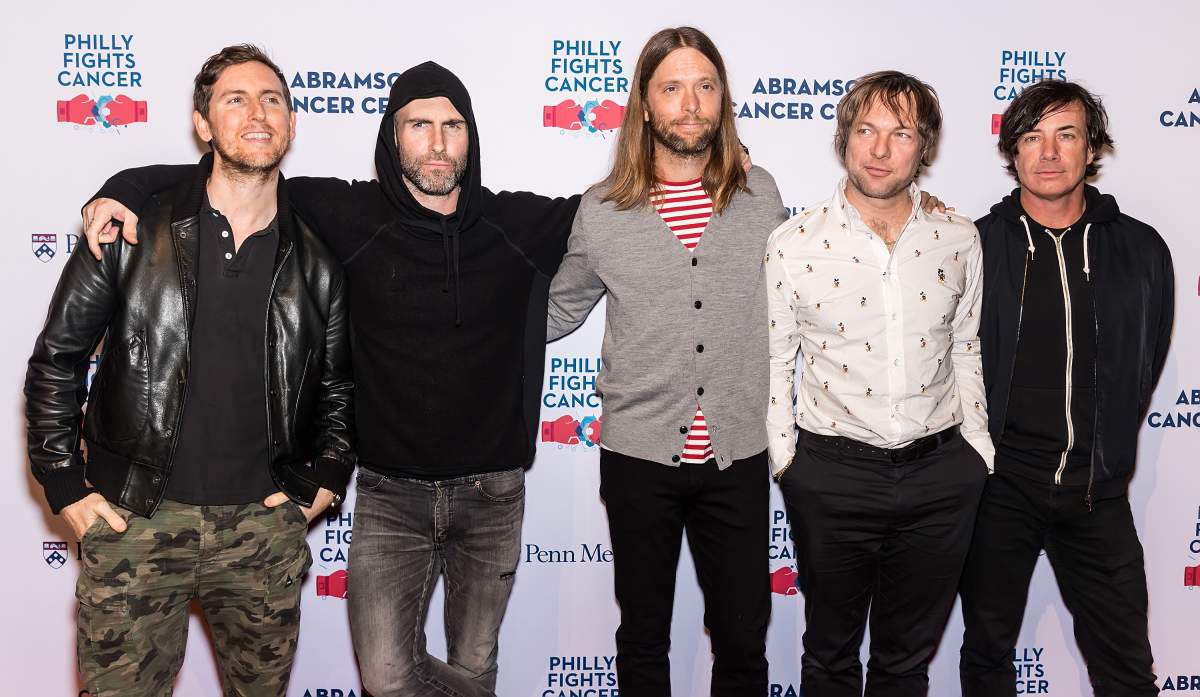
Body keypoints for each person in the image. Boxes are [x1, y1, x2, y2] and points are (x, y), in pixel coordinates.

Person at [80, 59, 580, 697]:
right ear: (391, 136)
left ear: (470, 137)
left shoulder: (516, 224)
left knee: (475, 665)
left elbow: (610, 213)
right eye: (418, 124)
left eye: (452, 126)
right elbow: (222, 178)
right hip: (388, 494)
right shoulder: (345, 212)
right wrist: (124, 185)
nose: (436, 142)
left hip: (493, 495)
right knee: (389, 675)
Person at [26, 44, 354, 696]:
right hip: (136, 523)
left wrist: (326, 476)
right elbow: (57, 362)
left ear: (291, 123)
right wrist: (64, 483)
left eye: (272, 100)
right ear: (203, 124)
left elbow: (339, 389)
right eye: (235, 99)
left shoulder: (318, 259)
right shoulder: (130, 229)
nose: (257, 114)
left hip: (262, 534)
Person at [544, 25, 786, 696]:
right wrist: (463, 331)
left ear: (722, 99)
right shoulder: (603, 209)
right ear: (645, 105)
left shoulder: (761, 196)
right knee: (643, 639)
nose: (690, 103)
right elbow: (560, 309)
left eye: (705, 86)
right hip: (637, 457)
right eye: (672, 87)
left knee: (743, 641)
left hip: (737, 453)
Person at [764, 70, 992, 696]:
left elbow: (966, 346)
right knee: (830, 657)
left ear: (926, 147)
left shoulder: (959, 237)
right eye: (865, 130)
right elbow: (776, 360)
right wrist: (789, 462)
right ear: (845, 141)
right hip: (832, 472)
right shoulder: (793, 242)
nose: (880, 149)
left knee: (905, 663)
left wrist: (977, 450)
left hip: (941, 471)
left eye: (900, 133)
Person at [958, 79, 1172, 697]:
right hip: (1001, 490)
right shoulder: (977, 245)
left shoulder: (1141, 249)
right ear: (1013, 153)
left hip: (1096, 492)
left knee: (1127, 667)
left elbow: (1146, 359)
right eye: (1033, 137)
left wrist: (1106, 452)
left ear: (1091, 149)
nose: (1049, 153)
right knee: (988, 657)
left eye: (1066, 135)